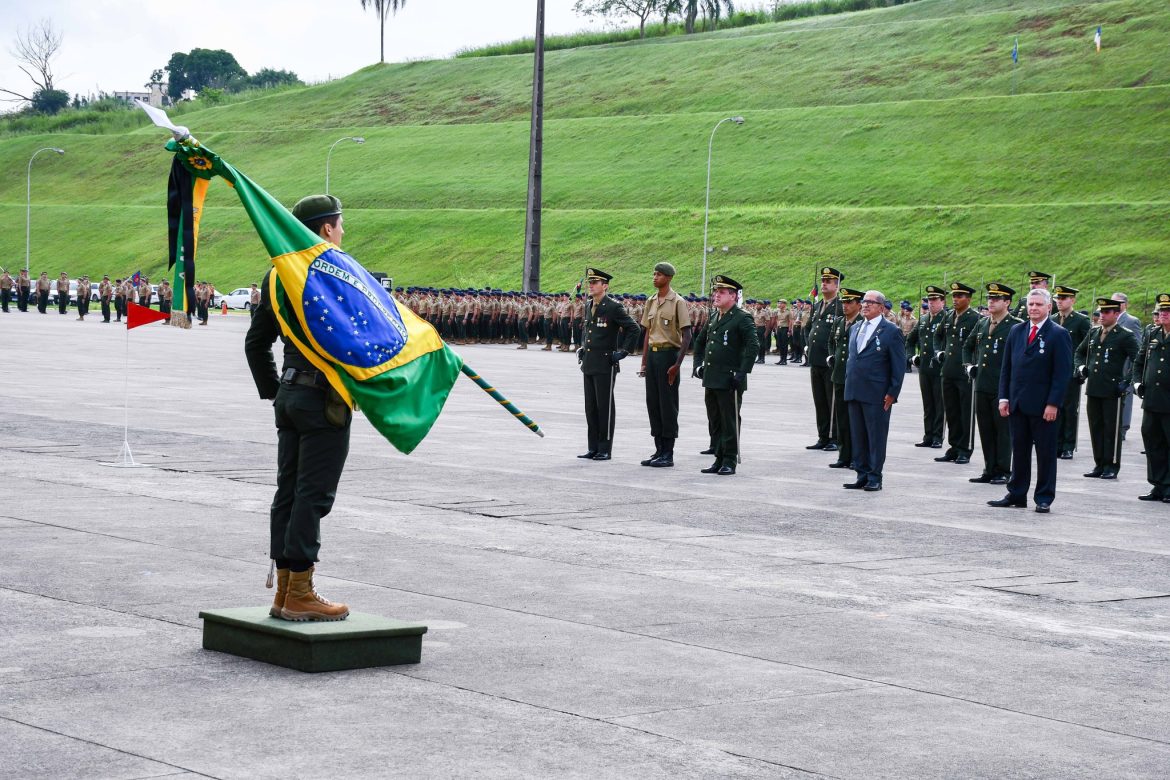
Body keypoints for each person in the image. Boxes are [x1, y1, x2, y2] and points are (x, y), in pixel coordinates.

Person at [244, 193, 352, 622]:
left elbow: (255, 343)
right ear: (326, 229)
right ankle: (302, 591)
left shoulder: (276, 277)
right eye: (340, 224)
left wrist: (277, 390)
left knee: (287, 491)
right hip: (323, 400)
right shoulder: (331, 274)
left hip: (290, 398)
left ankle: (285, 590)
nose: (343, 231)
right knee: (313, 495)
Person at [991, 288, 1074, 513]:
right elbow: (1006, 368)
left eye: (1038, 304)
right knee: (1019, 451)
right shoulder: (1017, 331)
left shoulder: (1058, 334)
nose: (1034, 308)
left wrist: (1053, 403)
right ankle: (1017, 493)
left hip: (1043, 406)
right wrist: (1004, 397)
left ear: (1049, 307)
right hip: (1017, 403)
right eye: (1030, 304)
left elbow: (1062, 373)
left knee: (1045, 453)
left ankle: (1044, 496)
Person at [693, 275, 757, 476]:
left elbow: (753, 346)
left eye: (721, 292)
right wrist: (697, 366)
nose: (716, 295)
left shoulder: (742, 317)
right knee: (715, 420)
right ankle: (719, 457)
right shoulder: (714, 316)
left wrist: (742, 372)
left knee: (729, 420)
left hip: (729, 379)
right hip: (711, 377)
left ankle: (729, 460)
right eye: (716, 292)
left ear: (733, 296)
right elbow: (699, 342)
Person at [843, 290, 906, 491]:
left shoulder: (890, 330)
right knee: (858, 435)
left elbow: (898, 365)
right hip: (854, 390)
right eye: (864, 302)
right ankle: (861, 474)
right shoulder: (855, 328)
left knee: (876, 436)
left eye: (871, 302)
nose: (865, 305)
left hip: (877, 394)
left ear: (881, 307)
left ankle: (874, 476)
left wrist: (892, 392)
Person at [577, 267, 639, 461]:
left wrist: (623, 352)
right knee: (591, 407)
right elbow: (588, 330)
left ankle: (605, 448)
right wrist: (582, 347)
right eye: (590, 282)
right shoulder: (589, 305)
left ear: (605, 286)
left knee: (604, 407)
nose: (591, 285)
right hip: (589, 361)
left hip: (605, 362)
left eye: (595, 283)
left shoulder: (613, 307)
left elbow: (634, 329)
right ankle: (593, 447)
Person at [1075, 298, 1140, 480]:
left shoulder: (1124, 335)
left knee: (1111, 429)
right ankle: (1099, 464)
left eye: (1106, 312)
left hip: (1113, 389)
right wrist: (1080, 368)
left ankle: (1111, 465)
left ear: (1116, 314)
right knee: (1096, 427)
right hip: (1094, 387)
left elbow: (1138, 359)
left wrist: (1126, 381)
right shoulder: (1094, 333)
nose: (1101, 316)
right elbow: (1080, 353)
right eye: (1100, 312)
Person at [963, 283, 1020, 485]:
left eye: (996, 299)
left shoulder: (1016, 325)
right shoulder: (982, 323)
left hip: (1002, 387)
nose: (991, 302)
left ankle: (1003, 470)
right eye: (989, 298)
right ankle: (989, 468)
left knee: (1002, 431)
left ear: (1007, 302)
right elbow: (968, 346)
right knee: (985, 429)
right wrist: (968, 365)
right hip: (982, 385)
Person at [638, 262, 692, 468]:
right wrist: (644, 362)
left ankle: (668, 453)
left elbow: (687, 335)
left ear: (668, 278)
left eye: (658, 275)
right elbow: (647, 334)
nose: (654, 277)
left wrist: (677, 364)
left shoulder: (678, 302)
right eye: (653, 273)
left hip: (669, 355)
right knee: (653, 403)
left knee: (668, 405)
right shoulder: (650, 301)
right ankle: (658, 449)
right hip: (652, 356)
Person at [934, 282, 979, 465]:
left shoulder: (974, 318)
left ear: (968, 299)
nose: (955, 299)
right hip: (948, 370)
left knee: (965, 412)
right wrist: (939, 352)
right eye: (954, 296)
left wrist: (973, 364)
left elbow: (977, 344)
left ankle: (965, 449)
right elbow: (938, 336)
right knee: (951, 411)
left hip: (964, 373)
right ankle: (953, 446)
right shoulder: (948, 316)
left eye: (960, 296)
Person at [1133, 293, 1170, 502]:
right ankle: (1158, 484)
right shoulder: (1152, 334)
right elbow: (1139, 362)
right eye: (1161, 311)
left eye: (1167, 311)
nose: (1163, 314)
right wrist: (1137, 382)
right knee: (1152, 440)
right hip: (1152, 399)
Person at [806, 267, 845, 451]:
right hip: (815, 360)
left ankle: (835, 438)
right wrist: (807, 345)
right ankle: (822, 436)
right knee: (820, 401)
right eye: (823, 281)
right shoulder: (818, 305)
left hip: (831, 361)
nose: (823, 284)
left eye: (828, 281)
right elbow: (808, 327)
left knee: (833, 401)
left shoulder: (840, 306)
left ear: (837, 285)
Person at [1052, 286, 1091, 459]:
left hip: (1070, 371)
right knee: (1054, 407)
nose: (1059, 301)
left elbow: (1088, 347)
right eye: (1058, 298)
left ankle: (1068, 444)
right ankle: (1056, 443)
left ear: (1073, 300)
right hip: (1052, 370)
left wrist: (1082, 369)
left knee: (1069, 409)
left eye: (1064, 298)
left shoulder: (1081, 321)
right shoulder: (1052, 319)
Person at [907, 286, 947, 448]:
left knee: (939, 404)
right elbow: (910, 340)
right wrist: (911, 356)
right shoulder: (923, 320)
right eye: (929, 300)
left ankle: (938, 436)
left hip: (940, 368)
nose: (931, 303)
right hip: (924, 368)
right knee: (928, 403)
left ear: (943, 302)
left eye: (935, 300)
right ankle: (928, 435)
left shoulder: (946, 319)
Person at [828, 288, 863, 470]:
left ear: (859, 305)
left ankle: (856, 458)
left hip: (855, 379)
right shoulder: (840, 322)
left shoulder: (862, 324)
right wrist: (831, 356)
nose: (845, 305)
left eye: (849, 302)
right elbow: (831, 343)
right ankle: (844, 455)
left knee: (854, 421)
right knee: (841, 419)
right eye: (844, 302)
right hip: (839, 376)